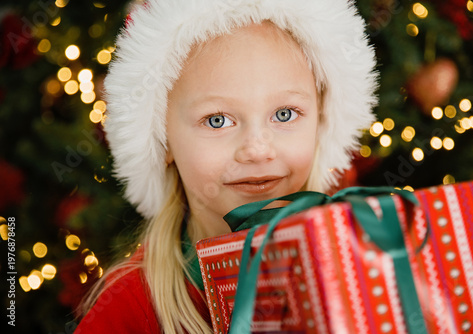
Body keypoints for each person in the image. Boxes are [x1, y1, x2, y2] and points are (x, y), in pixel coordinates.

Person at [75, 0, 378, 333]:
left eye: (284, 114)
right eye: (217, 120)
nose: (257, 150)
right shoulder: (128, 309)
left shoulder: (366, 266)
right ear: (162, 140)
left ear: (320, 122)